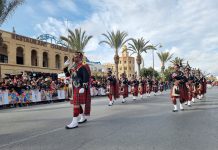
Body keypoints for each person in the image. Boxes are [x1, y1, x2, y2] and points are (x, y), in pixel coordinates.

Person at [64, 52, 91, 129]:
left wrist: (83, 86)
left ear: (80, 58)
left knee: (76, 104)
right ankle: (83, 117)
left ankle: (74, 122)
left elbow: (86, 76)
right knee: (77, 104)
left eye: (77, 57)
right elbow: (67, 75)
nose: (75, 58)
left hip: (79, 87)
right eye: (74, 57)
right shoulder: (73, 66)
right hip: (73, 87)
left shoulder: (83, 65)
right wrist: (65, 67)